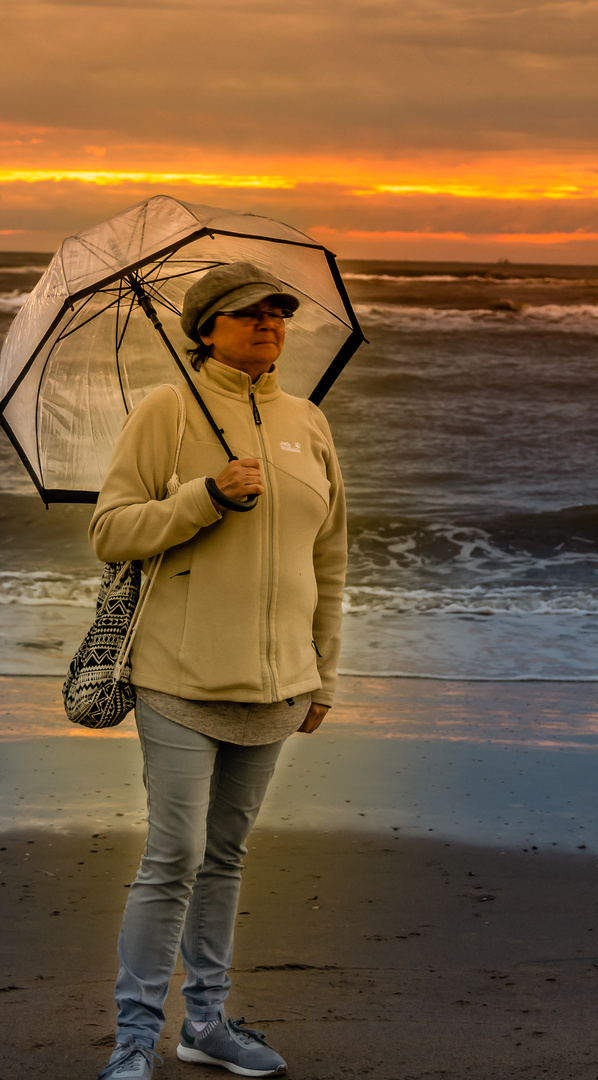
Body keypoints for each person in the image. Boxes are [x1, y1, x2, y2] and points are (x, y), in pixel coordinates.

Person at [90, 262, 347, 1080]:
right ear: (206, 329)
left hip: (277, 686)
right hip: (180, 676)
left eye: (278, 312)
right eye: (247, 313)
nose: (268, 323)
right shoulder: (166, 411)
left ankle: (204, 1024)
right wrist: (205, 494)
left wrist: (322, 674)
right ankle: (135, 1036)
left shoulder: (307, 420)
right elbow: (111, 531)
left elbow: (331, 559)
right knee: (174, 856)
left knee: (226, 857)